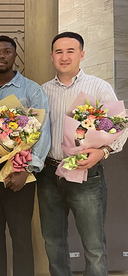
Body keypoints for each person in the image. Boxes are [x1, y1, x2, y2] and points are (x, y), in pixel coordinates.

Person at [39, 32, 127, 276]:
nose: (64, 57)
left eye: (70, 51)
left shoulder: (98, 87)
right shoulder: (42, 91)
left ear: (82, 54)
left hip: (87, 175)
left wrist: (102, 151)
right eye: (59, 52)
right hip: (49, 173)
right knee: (53, 241)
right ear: (51, 56)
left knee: (94, 245)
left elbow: (120, 127)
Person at [0, 36, 50, 276]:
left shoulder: (32, 89)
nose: (1, 56)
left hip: (19, 164)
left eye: (6, 51)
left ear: (15, 56)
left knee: (20, 234)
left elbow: (43, 132)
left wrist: (27, 169)